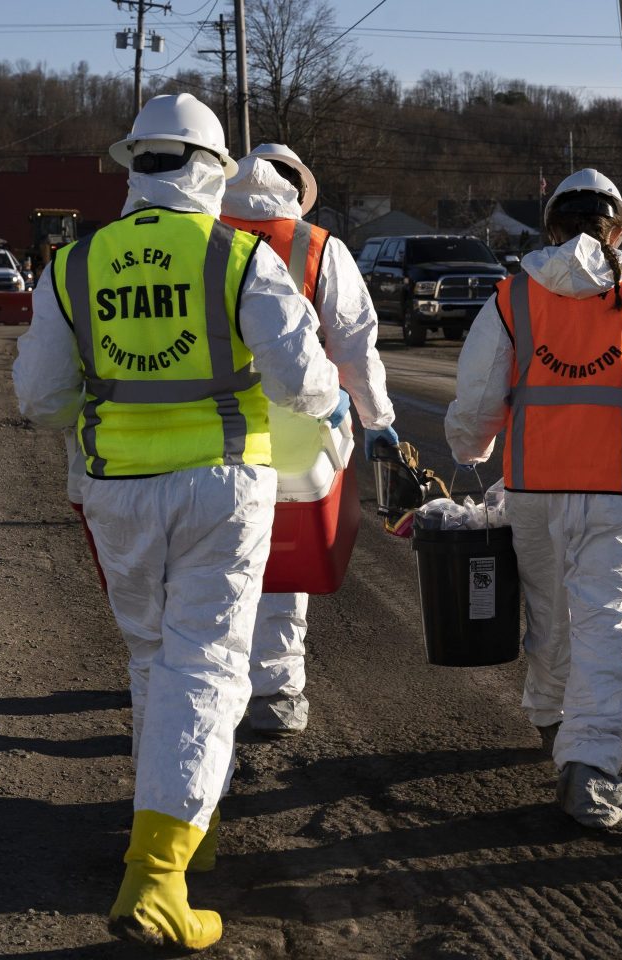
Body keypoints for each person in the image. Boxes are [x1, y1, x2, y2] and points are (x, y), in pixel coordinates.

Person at [12, 93, 345, 951]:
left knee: (155, 657)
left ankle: (180, 814)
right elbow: (304, 385)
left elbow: (40, 397)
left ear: (136, 167)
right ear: (212, 165)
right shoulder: (236, 257)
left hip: (118, 489)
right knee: (208, 662)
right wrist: (333, 408)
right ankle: (159, 874)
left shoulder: (75, 264)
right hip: (220, 489)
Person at [445, 168, 622, 829]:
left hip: (533, 488)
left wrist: (468, 451)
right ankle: (589, 765)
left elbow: (479, 396)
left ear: (552, 228)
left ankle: (547, 715)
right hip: (617, 495)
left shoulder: (513, 298)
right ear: (618, 229)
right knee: (601, 628)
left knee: (547, 613)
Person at [220, 143, 397, 738]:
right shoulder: (315, 246)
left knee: (210, 560)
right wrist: (376, 419)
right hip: (298, 431)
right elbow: (352, 345)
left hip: (205, 425)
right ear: (298, 190)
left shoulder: (200, 232)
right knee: (282, 562)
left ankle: (207, 679)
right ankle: (273, 689)